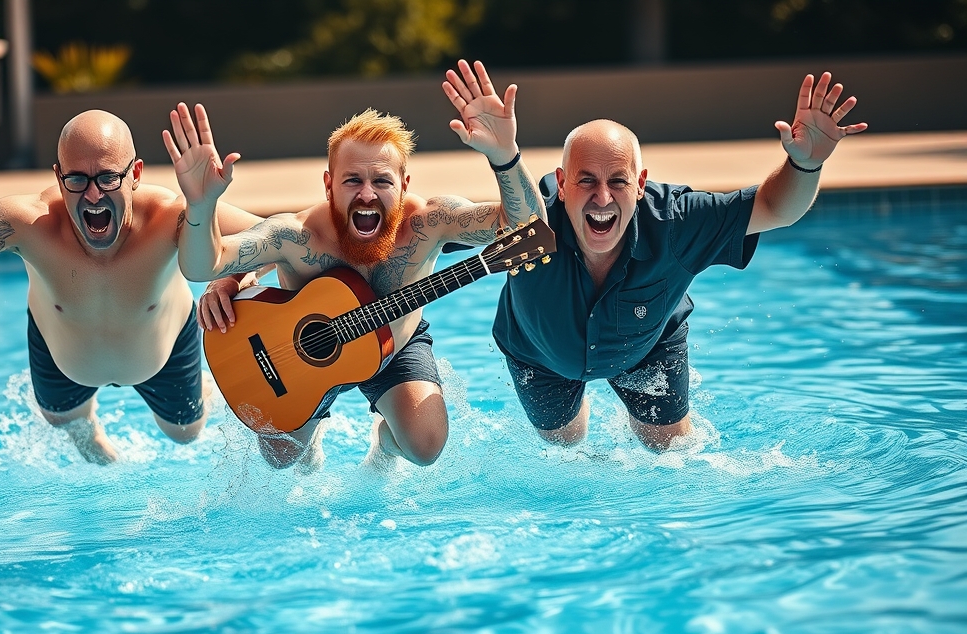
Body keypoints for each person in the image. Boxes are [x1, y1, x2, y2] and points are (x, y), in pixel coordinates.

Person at [163, 60, 544, 471]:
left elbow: (528, 229)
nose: (367, 194)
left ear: (404, 185)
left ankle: (385, 444)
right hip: (295, 357)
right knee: (280, 460)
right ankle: (314, 426)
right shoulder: (297, 236)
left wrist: (505, 158)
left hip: (391, 347)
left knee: (426, 447)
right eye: (352, 181)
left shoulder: (430, 222)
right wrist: (202, 206)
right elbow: (204, 266)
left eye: (382, 180)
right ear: (328, 185)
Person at [494, 72, 868, 451]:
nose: (603, 198)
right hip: (540, 353)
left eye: (618, 182)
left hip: (647, 344)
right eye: (586, 180)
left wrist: (805, 164)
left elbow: (773, 209)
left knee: (671, 453)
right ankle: (577, 405)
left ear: (641, 184)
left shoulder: (677, 223)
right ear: (561, 182)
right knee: (565, 449)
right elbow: (445, 226)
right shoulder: (530, 219)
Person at [0, 110, 261, 464]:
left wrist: (228, 278)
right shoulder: (28, 224)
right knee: (71, 430)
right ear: (58, 178)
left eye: (109, 177)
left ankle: (203, 390)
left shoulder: (170, 216)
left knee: (185, 436)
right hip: (63, 360)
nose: (93, 195)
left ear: (136, 175)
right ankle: (93, 437)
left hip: (162, 350)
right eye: (77, 179)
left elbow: (278, 237)